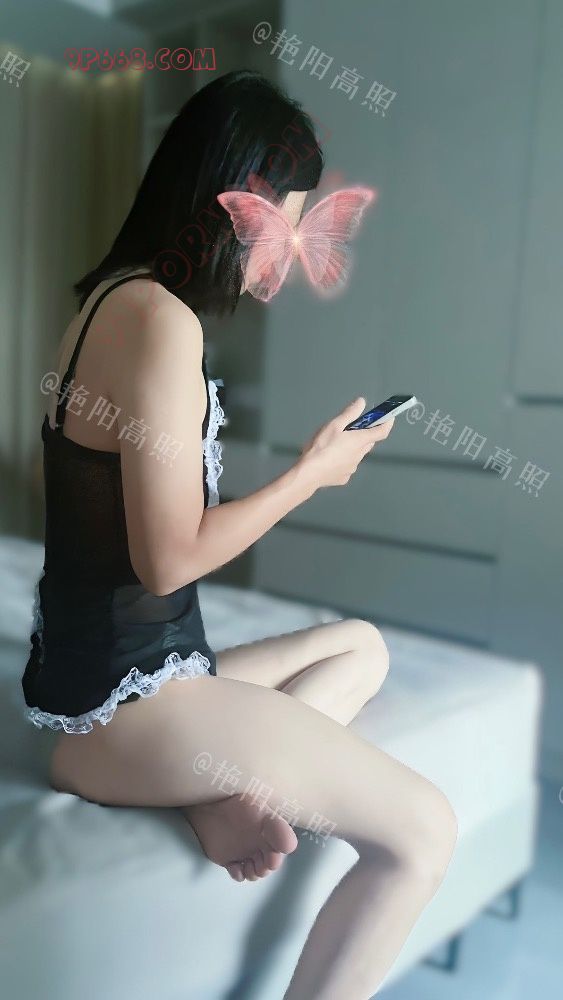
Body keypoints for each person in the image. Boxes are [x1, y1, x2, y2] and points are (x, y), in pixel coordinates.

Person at [22, 70, 457, 999]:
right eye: (281, 228)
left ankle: (218, 794)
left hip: (130, 676)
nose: (290, 256)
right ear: (231, 204)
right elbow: (168, 560)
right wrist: (308, 475)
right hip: (123, 711)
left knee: (361, 647)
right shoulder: (158, 322)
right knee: (424, 832)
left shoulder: (111, 301)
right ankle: (201, 781)